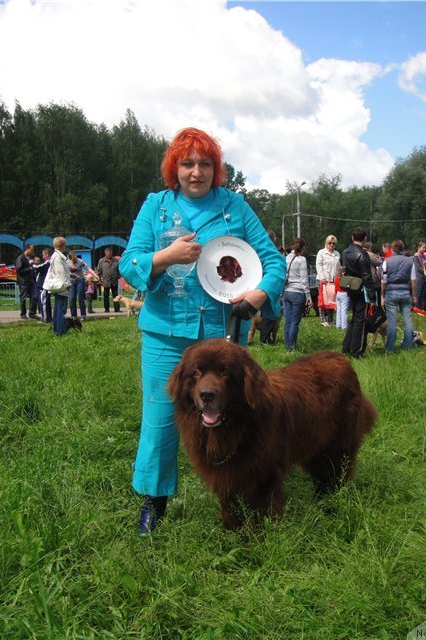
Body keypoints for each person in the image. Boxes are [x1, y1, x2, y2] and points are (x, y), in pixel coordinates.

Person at [118, 127, 286, 535]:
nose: (196, 172)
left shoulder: (235, 208)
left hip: (222, 337)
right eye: (187, 163)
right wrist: (164, 256)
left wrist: (259, 295)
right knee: (159, 420)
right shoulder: (155, 208)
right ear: (173, 168)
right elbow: (129, 264)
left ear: (216, 169)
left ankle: (238, 495)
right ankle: (154, 504)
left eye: (205, 163)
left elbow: (274, 262)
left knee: (235, 417)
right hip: (164, 335)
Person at [341, 227, 376, 358]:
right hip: (361, 290)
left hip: (350, 287)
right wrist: (372, 296)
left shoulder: (345, 252)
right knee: (360, 321)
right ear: (365, 239)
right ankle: (357, 351)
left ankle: (346, 348)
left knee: (354, 319)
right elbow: (367, 276)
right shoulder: (362, 254)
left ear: (352, 237)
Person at [381, 239, 417, 352]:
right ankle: (409, 346)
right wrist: (414, 295)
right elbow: (413, 280)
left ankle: (390, 348)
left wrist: (382, 295)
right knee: (408, 321)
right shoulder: (410, 261)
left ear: (391, 249)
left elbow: (384, 281)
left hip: (391, 292)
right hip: (406, 292)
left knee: (392, 322)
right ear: (402, 248)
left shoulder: (387, 261)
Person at [282, 237, 311, 351]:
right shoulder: (302, 260)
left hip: (287, 292)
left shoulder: (286, 258)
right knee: (294, 322)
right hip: (298, 293)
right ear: (303, 247)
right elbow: (304, 280)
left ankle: (287, 346)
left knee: (288, 321)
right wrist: (308, 296)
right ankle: (292, 347)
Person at [43, 237, 72, 336]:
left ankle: (56, 329)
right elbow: (61, 273)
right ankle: (61, 332)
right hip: (62, 287)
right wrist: (67, 284)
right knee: (61, 310)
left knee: (57, 309)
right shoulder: (58, 257)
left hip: (60, 286)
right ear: (63, 246)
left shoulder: (56, 256)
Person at [316, 235, 340, 326]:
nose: (332, 245)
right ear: (326, 243)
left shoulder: (337, 254)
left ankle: (330, 319)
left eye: (333, 243)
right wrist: (322, 278)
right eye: (330, 243)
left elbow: (338, 267)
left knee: (331, 301)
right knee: (323, 300)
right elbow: (319, 265)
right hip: (324, 280)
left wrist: (338, 278)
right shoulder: (321, 253)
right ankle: (323, 320)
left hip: (333, 281)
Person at [67, 252, 99, 320]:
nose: (75, 261)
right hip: (71, 281)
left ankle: (83, 315)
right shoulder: (67, 262)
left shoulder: (80, 261)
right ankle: (74, 316)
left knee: (80, 298)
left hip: (80, 280)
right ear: (70, 259)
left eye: (75, 259)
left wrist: (94, 274)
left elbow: (88, 268)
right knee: (72, 298)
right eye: (73, 260)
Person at [15, 244, 39, 320]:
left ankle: (32, 313)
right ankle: (23, 314)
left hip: (32, 281)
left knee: (34, 297)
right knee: (23, 297)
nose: (33, 251)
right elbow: (19, 270)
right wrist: (29, 268)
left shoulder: (31, 258)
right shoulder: (20, 258)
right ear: (27, 249)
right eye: (32, 249)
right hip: (24, 282)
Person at [96, 248, 121, 313]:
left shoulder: (116, 261)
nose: (110, 255)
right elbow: (99, 271)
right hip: (106, 281)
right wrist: (99, 279)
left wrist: (118, 277)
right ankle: (106, 309)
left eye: (111, 253)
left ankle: (117, 309)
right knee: (106, 296)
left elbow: (119, 270)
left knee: (115, 295)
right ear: (105, 253)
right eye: (109, 253)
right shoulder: (101, 261)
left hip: (114, 281)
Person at [32, 248, 52, 323]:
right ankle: (48, 318)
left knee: (43, 303)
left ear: (47, 255)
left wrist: (31, 264)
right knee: (45, 302)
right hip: (41, 285)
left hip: (43, 285)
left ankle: (45, 319)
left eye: (43, 255)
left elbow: (39, 267)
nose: (43, 257)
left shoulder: (48, 263)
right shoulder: (48, 263)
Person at [364, 241, 383, 306]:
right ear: (369, 247)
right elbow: (378, 262)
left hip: (362, 277)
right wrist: (379, 258)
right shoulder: (370, 254)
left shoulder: (360, 252)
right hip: (370, 276)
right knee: (374, 293)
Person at [413, 241, 426, 309]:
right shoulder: (416, 256)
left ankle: (421, 307)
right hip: (419, 277)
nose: (425, 249)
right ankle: (416, 307)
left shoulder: (424, 256)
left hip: (424, 277)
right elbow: (418, 268)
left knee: (423, 293)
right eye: (423, 247)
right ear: (419, 247)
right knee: (418, 293)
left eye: (425, 248)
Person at [335, 265, 349, 330]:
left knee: (339, 310)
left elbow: (335, 287)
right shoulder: (345, 278)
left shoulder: (337, 278)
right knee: (344, 310)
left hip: (338, 293)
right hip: (344, 293)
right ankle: (344, 326)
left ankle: (338, 325)